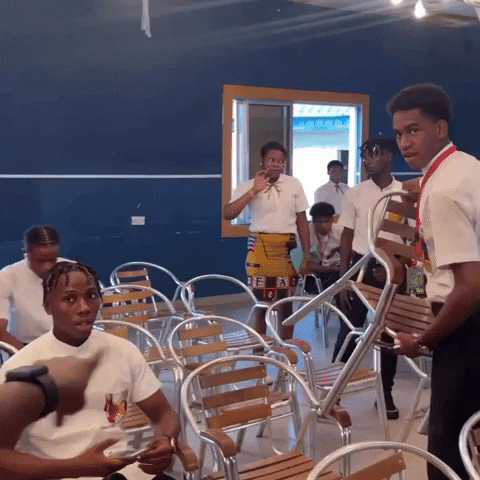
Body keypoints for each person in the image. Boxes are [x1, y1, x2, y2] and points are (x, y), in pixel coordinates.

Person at [0, 261, 180, 480]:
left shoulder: (122, 351)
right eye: (70, 299)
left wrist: (165, 440)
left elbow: (163, 413)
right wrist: (78, 467)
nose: (84, 307)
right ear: (48, 306)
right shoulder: (20, 369)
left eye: (91, 296)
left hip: (121, 471)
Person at [389, 83, 480, 480]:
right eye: (399, 133)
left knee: (446, 448)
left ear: (440, 128)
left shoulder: (442, 190)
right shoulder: (466, 167)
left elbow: (471, 286)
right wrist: (421, 185)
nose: (404, 142)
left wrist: (423, 340)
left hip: (465, 326)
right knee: (472, 431)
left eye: (414, 130)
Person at [334, 137, 401, 420]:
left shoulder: (405, 193)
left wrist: (404, 274)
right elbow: (346, 236)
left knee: (388, 335)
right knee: (349, 331)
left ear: (389, 156)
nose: (367, 160)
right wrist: (343, 279)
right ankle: (334, 392)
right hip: (359, 266)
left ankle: (385, 394)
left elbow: (415, 240)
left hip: (393, 267)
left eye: (374, 154)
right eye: (364, 155)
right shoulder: (355, 193)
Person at [223, 141, 310, 339]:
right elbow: (228, 214)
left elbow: (302, 221)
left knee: (286, 304)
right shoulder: (248, 185)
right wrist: (254, 190)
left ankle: (285, 350)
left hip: (289, 248)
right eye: (271, 160)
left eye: (280, 161)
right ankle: (258, 351)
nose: (276, 164)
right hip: (259, 248)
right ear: (262, 161)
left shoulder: (294, 184)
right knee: (261, 305)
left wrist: (306, 254)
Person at [0, 226, 67, 349]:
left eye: (52, 260)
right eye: (40, 261)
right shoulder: (6, 277)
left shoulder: (72, 271)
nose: (47, 266)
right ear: (26, 253)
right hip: (22, 347)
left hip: (67, 344)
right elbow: (0, 332)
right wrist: (28, 355)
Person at [304, 202, 343, 292]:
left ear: (332, 220)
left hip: (336, 273)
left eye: (327, 221)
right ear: (313, 221)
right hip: (313, 276)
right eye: (319, 222)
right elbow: (304, 265)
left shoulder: (341, 231)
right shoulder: (305, 233)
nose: (323, 226)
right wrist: (329, 269)